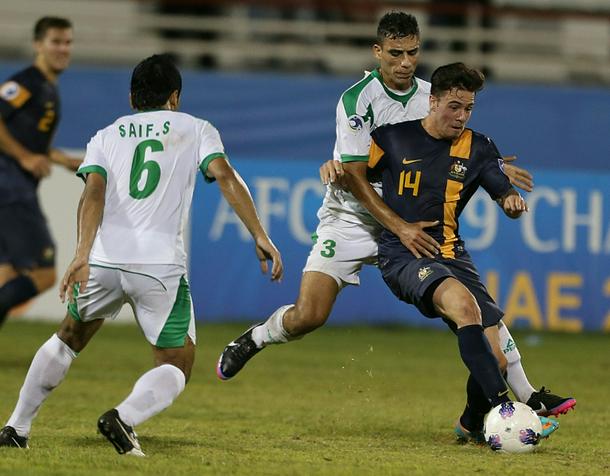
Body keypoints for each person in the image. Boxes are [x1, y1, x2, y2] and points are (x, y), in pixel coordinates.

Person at [216, 11, 575, 425]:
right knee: (309, 314)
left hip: (412, 222)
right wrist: (395, 223)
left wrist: (488, 166)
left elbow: (455, 144)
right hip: (352, 217)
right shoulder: (357, 100)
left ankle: (525, 394)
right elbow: (355, 176)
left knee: (469, 304)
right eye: (395, 53)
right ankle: (257, 337)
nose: (405, 62)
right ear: (377, 52)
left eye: (413, 52)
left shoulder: (431, 94)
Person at [0, 54, 283, 455]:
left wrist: (82, 253)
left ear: (132, 98)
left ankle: (16, 427)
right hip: (159, 265)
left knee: (68, 338)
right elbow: (224, 175)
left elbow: (92, 193)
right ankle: (124, 417)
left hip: (104, 260)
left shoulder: (106, 135)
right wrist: (259, 233)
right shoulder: (196, 128)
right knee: (176, 364)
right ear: (175, 97)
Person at [343, 61, 561, 442]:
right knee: (464, 307)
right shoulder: (391, 139)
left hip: (452, 255)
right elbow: (355, 175)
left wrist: (511, 201)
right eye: (454, 106)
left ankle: (471, 423)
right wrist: (335, 168)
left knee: (495, 359)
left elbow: (501, 189)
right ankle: (506, 410)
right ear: (433, 101)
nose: (461, 117)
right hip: (404, 254)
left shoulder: (478, 147)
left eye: (469, 108)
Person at [0, 16, 81, 327]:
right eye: (56, 42)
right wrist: (23, 157)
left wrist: (64, 161)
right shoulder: (27, 83)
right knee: (44, 273)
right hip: (10, 186)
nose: (63, 49)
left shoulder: (47, 87)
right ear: (38, 45)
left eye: (68, 42)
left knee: (7, 273)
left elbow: (31, 142)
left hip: (12, 186)